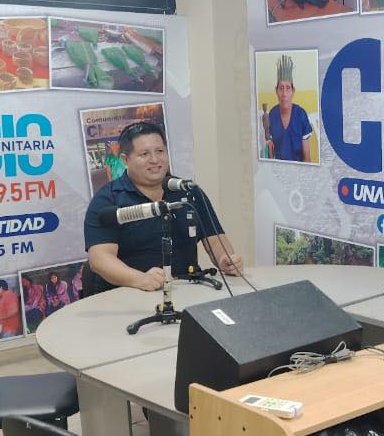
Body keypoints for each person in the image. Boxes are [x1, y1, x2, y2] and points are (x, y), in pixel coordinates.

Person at [85, 121, 243, 294]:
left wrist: (225, 259)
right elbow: (99, 259)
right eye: (144, 154)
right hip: (130, 293)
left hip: (187, 291)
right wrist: (140, 279)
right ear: (125, 160)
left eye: (160, 151)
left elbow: (215, 240)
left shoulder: (188, 192)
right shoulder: (108, 199)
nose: (154, 160)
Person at [264, 55, 313, 162]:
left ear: (293, 91)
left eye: (288, 88)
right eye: (281, 88)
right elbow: (271, 151)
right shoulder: (272, 114)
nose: (284, 94)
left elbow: (307, 157)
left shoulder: (301, 115)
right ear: (276, 91)